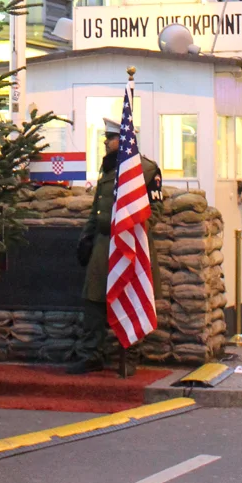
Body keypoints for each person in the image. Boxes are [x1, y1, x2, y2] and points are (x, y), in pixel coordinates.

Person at [71, 119, 162, 374]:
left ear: (122, 141)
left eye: (109, 139)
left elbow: (155, 210)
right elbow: (97, 208)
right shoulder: (108, 168)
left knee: (129, 297)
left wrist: (130, 227)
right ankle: (92, 354)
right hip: (103, 245)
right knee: (93, 301)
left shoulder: (146, 170)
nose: (105, 143)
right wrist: (86, 238)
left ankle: (129, 355)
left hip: (130, 243)